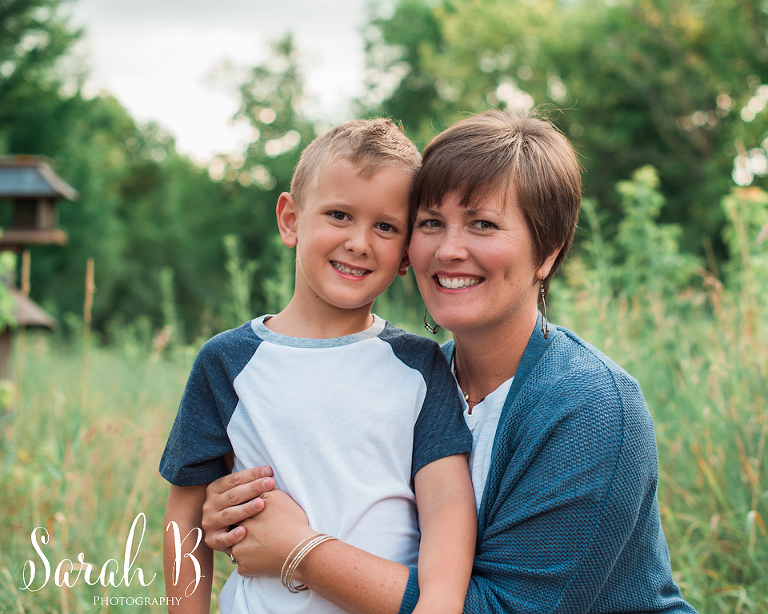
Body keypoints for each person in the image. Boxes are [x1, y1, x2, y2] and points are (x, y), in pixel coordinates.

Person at [201, 109, 698, 613]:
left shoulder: (591, 407)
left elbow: (507, 609)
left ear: (547, 252)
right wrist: (237, 509)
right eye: (431, 224)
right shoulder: (412, 382)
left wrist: (300, 552)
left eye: (483, 224)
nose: (449, 249)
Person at [159, 118, 477, 614]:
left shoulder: (420, 365)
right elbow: (185, 517)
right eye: (339, 215)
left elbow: (446, 502)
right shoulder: (226, 363)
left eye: (386, 227)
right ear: (291, 220)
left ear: (406, 255)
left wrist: (440, 603)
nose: (359, 242)